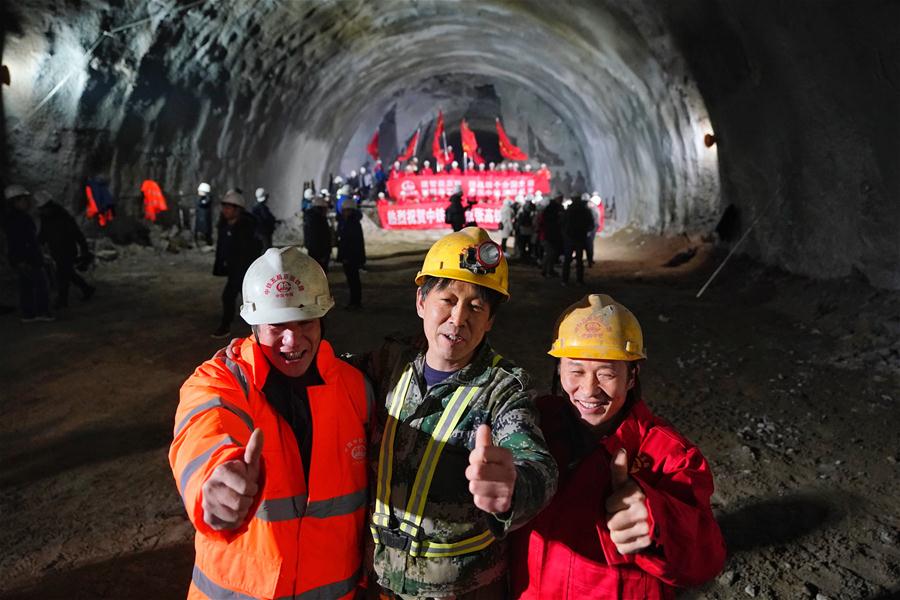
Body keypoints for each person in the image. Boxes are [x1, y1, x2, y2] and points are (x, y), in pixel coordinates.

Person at [349, 227, 558, 599]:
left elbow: (536, 463)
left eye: (476, 307)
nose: (458, 318)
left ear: (490, 320)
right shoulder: (389, 361)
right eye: (447, 299)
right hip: (380, 584)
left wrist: (513, 488)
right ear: (421, 302)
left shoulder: (503, 389)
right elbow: (324, 375)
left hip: (461, 591)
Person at [170, 246, 371, 600]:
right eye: (276, 326)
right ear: (254, 324)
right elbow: (204, 428)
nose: (292, 341)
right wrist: (212, 484)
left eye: (304, 322)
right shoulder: (221, 381)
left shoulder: (355, 389)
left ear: (322, 319)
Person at [510, 294, 726, 598]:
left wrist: (657, 520)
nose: (589, 390)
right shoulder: (532, 428)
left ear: (631, 376)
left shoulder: (670, 456)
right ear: (558, 370)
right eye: (576, 370)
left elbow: (705, 559)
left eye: (607, 373)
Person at [212, 189, 262, 338]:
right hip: (234, 270)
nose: (225, 210)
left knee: (243, 298)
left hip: (245, 270)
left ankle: (261, 326)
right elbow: (223, 247)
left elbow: (255, 249)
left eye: (229, 207)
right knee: (233, 296)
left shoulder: (248, 227)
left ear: (238, 209)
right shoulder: (225, 226)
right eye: (224, 206)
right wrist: (222, 264)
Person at [2, 185, 54, 322]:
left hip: (21, 258)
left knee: (26, 286)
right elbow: (23, 242)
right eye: (24, 199)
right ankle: (42, 312)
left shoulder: (12, 218)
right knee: (40, 284)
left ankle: (28, 314)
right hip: (28, 259)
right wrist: (31, 258)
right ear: (15, 202)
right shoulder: (19, 219)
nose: (28, 202)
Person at [37, 191, 95, 308]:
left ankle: (63, 300)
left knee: (62, 275)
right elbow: (44, 232)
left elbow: (76, 233)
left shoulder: (63, 216)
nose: (42, 211)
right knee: (68, 273)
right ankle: (86, 289)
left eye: (43, 208)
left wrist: (84, 250)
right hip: (56, 250)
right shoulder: (46, 216)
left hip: (67, 249)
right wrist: (38, 242)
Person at [337, 201, 365, 310]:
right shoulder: (348, 222)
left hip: (351, 257)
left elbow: (352, 243)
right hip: (350, 257)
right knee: (352, 280)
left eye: (346, 210)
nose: (344, 213)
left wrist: (347, 257)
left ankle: (355, 302)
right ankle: (354, 301)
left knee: (353, 280)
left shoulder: (351, 224)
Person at [561, 194, 594, 286]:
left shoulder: (568, 211)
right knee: (579, 260)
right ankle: (579, 280)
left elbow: (562, 223)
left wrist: (565, 234)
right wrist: (586, 232)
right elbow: (591, 223)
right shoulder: (585, 211)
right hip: (580, 237)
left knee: (567, 260)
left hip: (569, 238)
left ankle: (565, 280)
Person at [304, 194, 333, 272]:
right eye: (325, 209)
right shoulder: (318, 221)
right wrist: (323, 254)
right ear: (320, 209)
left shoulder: (312, 219)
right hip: (319, 253)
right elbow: (319, 238)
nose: (326, 211)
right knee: (320, 273)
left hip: (314, 252)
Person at [538, 195, 564, 279]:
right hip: (548, 236)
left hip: (549, 235)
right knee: (550, 254)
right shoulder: (551, 211)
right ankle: (546, 270)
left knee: (551, 254)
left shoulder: (550, 210)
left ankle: (548, 270)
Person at [587, 192, 604, 267]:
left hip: (590, 228)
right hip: (591, 228)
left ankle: (589, 260)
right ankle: (590, 260)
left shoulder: (593, 210)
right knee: (589, 245)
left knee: (588, 245)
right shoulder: (595, 209)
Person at [195, 182, 213, 247]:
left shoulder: (207, 199)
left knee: (206, 231)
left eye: (200, 191)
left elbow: (203, 204)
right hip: (201, 218)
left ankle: (208, 243)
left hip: (205, 219)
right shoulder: (201, 199)